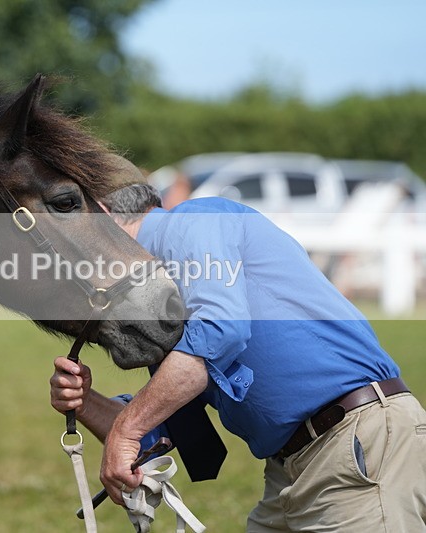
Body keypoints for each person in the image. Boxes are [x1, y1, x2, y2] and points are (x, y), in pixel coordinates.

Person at [49, 161, 426, 532]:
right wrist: (86, 402)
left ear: (100, 215)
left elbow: (219, 331)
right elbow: (156, 428)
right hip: (297, 467)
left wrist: (127, 431)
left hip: (355, 442)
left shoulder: (193, 220)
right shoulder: (160, 287)